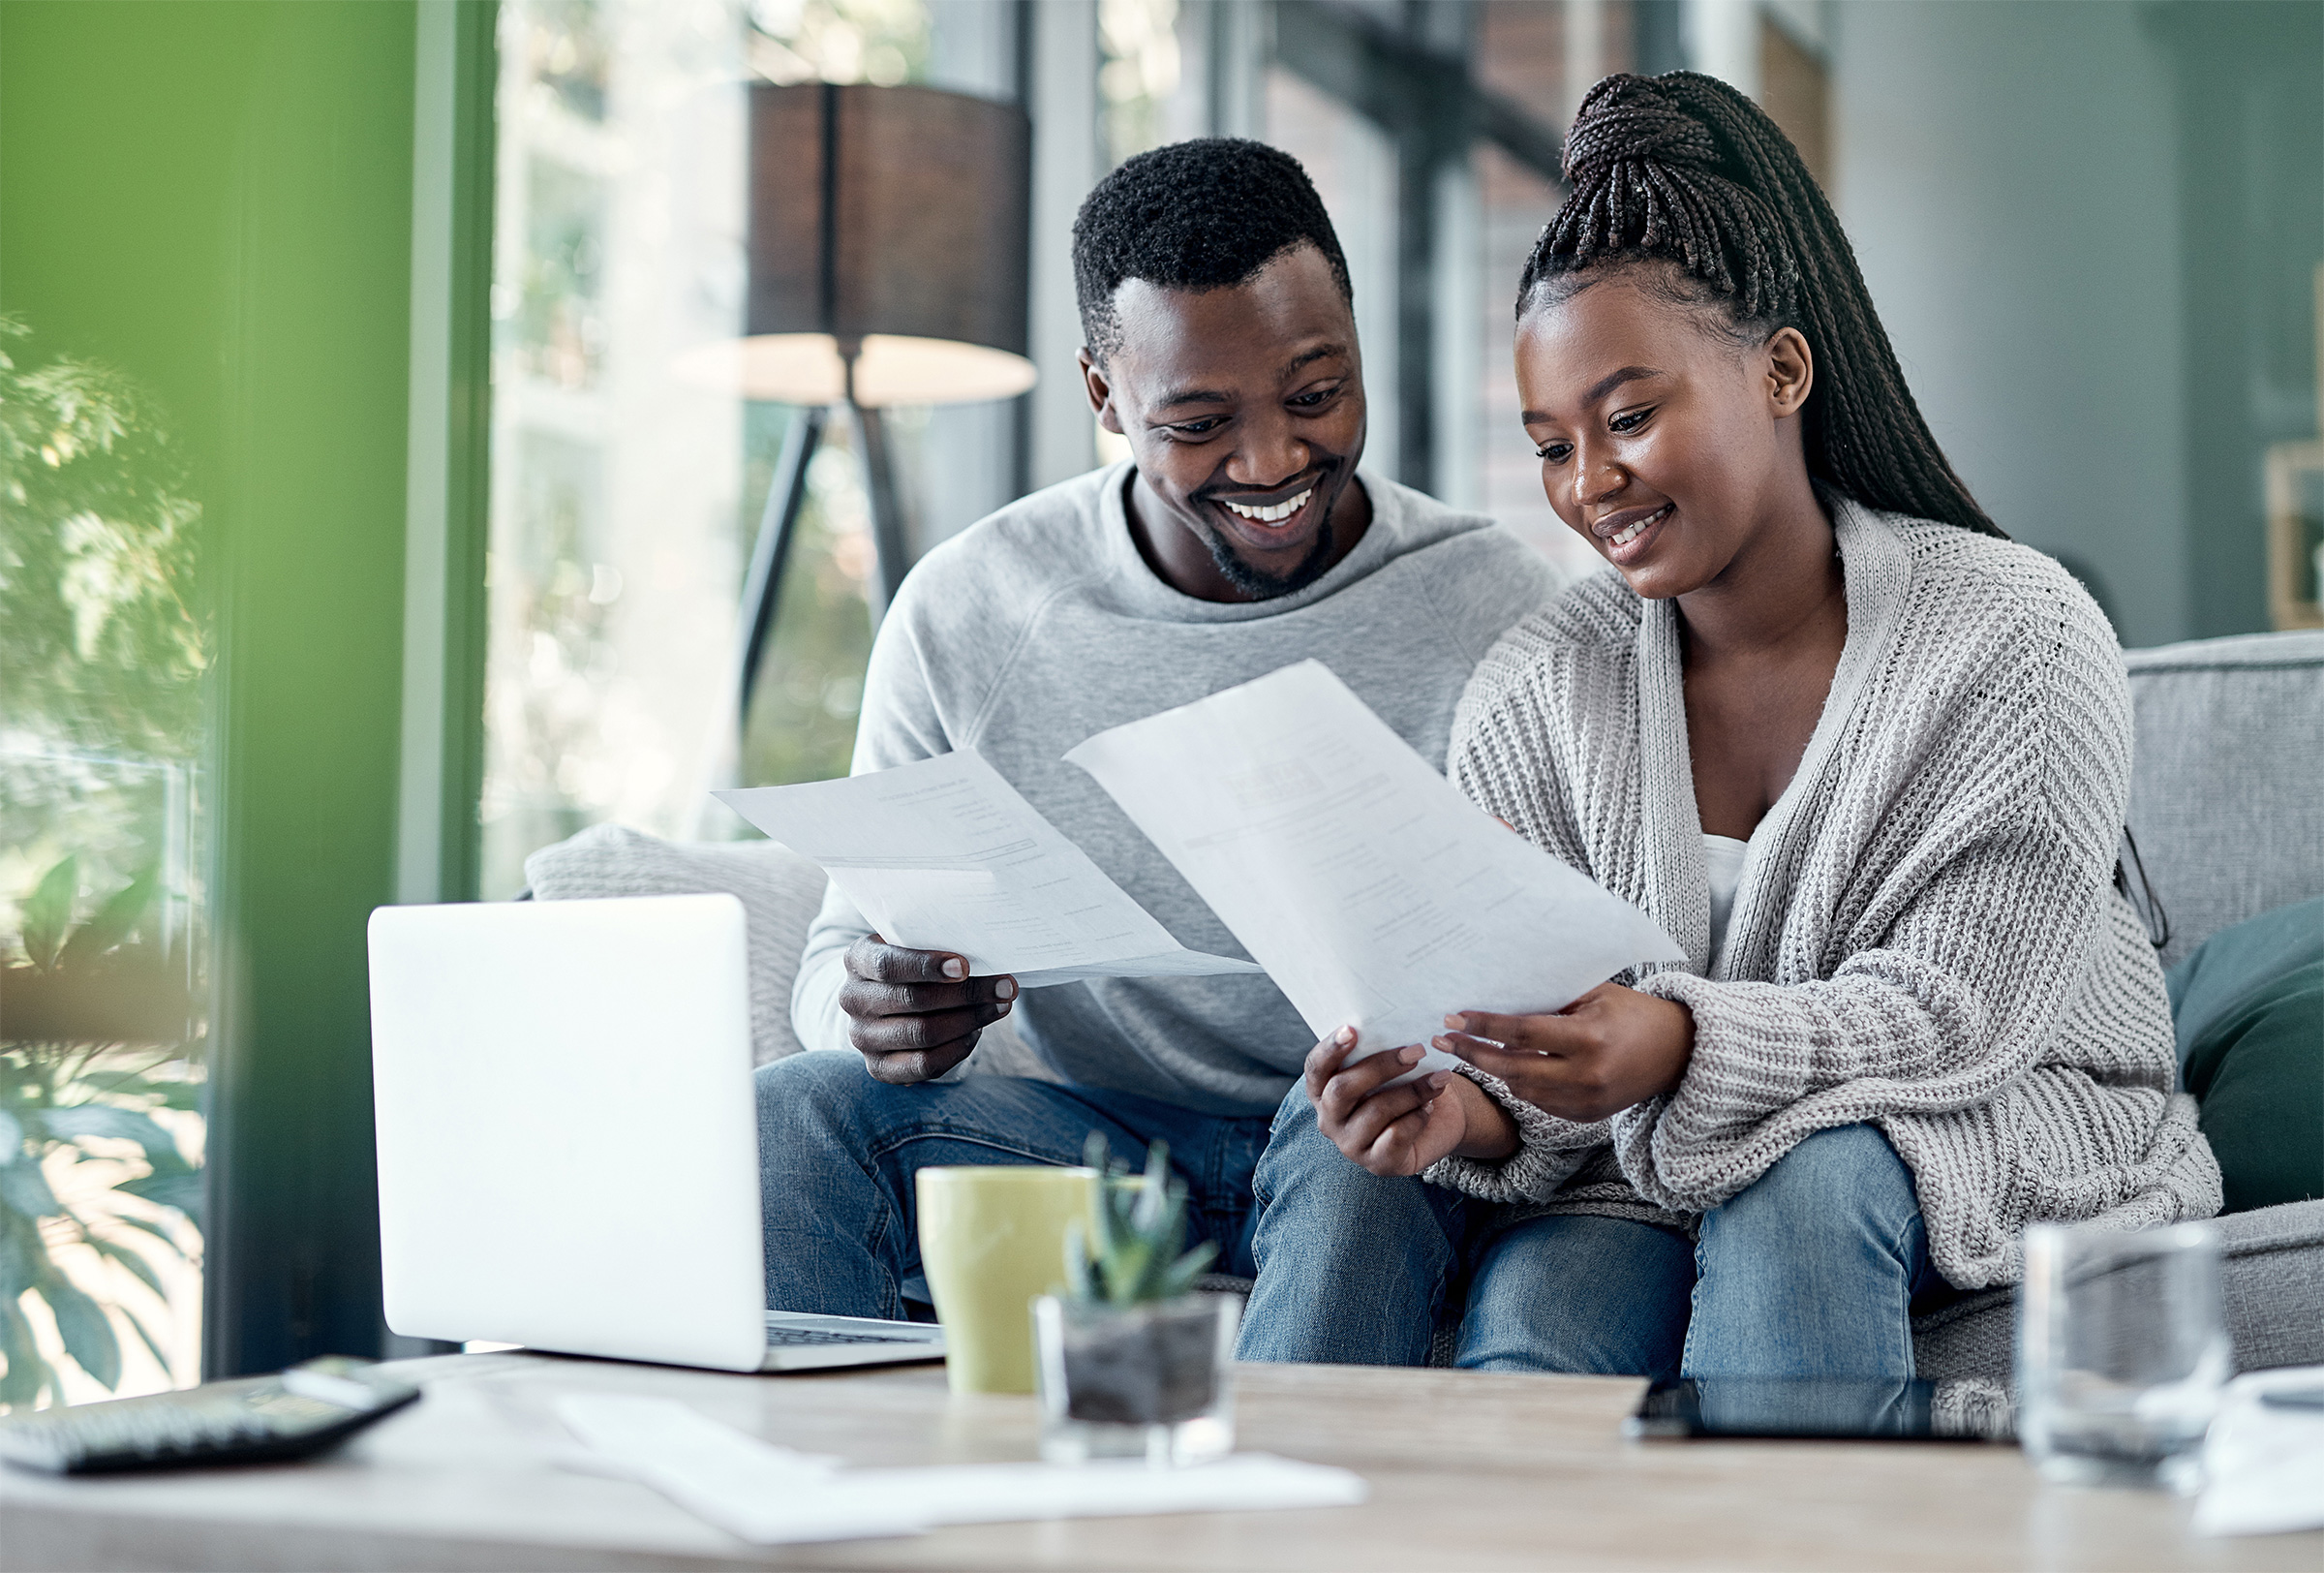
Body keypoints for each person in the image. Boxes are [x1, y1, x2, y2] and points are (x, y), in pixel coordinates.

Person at [1237, 74, 2221, 1378]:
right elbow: (1537, 1061)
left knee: (1803, 1188)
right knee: (1532, 1322)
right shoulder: (1538, 693)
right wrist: (1459, 1108)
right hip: (1647, 1160)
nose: (1591, 486)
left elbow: (1959, 1013)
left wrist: (1682, 1042)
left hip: (1977, 1107)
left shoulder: (2017, 638)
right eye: (1551, 444)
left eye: (1630, 418)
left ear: (1783, 372)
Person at [755, 138, 1558, 1319]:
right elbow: (842, 951)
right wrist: (870, 1005)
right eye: (1198, 422)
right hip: (1090, 1143)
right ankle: (846, 1494)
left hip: (1376, 1134)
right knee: (797, 1109)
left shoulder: (1495, 606)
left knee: (1362, 1148)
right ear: (1103, 396)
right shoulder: (973, 607)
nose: (1275, 459)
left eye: (1317, 394)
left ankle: (1275, 1504)